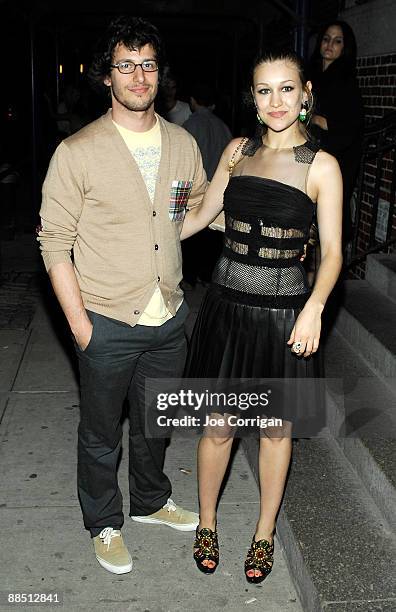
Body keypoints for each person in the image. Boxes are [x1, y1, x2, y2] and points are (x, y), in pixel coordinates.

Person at [37, 15, 207, 575]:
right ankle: (104, 521)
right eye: (126, 65)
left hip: (169, 318)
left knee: (158, 425)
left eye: (149, 64)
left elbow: (190, 213)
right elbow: (54, 244)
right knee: (101, 434)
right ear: (106, 76)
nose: (139, 76)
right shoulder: (78, 151)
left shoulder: (183, 144)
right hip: (105, 319)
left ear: (161, 74)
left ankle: (152, 502)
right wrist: (79, 326)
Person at [181, 50, 343, 582]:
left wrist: (315, 308)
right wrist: (141, 224)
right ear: (252, 97)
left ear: (306, 93)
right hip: (227, 308)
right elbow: (203, 219)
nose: (275, 101)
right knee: (219, 426)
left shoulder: (321, 165)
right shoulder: (235, 152)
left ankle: (264, 533)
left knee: (276, 431)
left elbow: (335, 252)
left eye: (286, 89)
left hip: (285, 315)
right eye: (264, 90)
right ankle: (207, 524)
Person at [309, 20, 364, 243]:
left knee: (327, 223)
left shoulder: (345, 81)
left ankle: (325, 274)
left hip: (336, 155)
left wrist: (316, 119)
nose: (330, 44)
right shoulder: (311, 74)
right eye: (326, 38)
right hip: (310, 150)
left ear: (345, 47)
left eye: (337, 41)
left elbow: (349, 125)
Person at [182, 82, 233, 284]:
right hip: (219, 193)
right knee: (212, 241)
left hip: (195, 191)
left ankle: (190, 278)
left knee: (192, 238)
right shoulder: (223, 126)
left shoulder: (189, 126)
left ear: (193, 101)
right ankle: (207, 276)